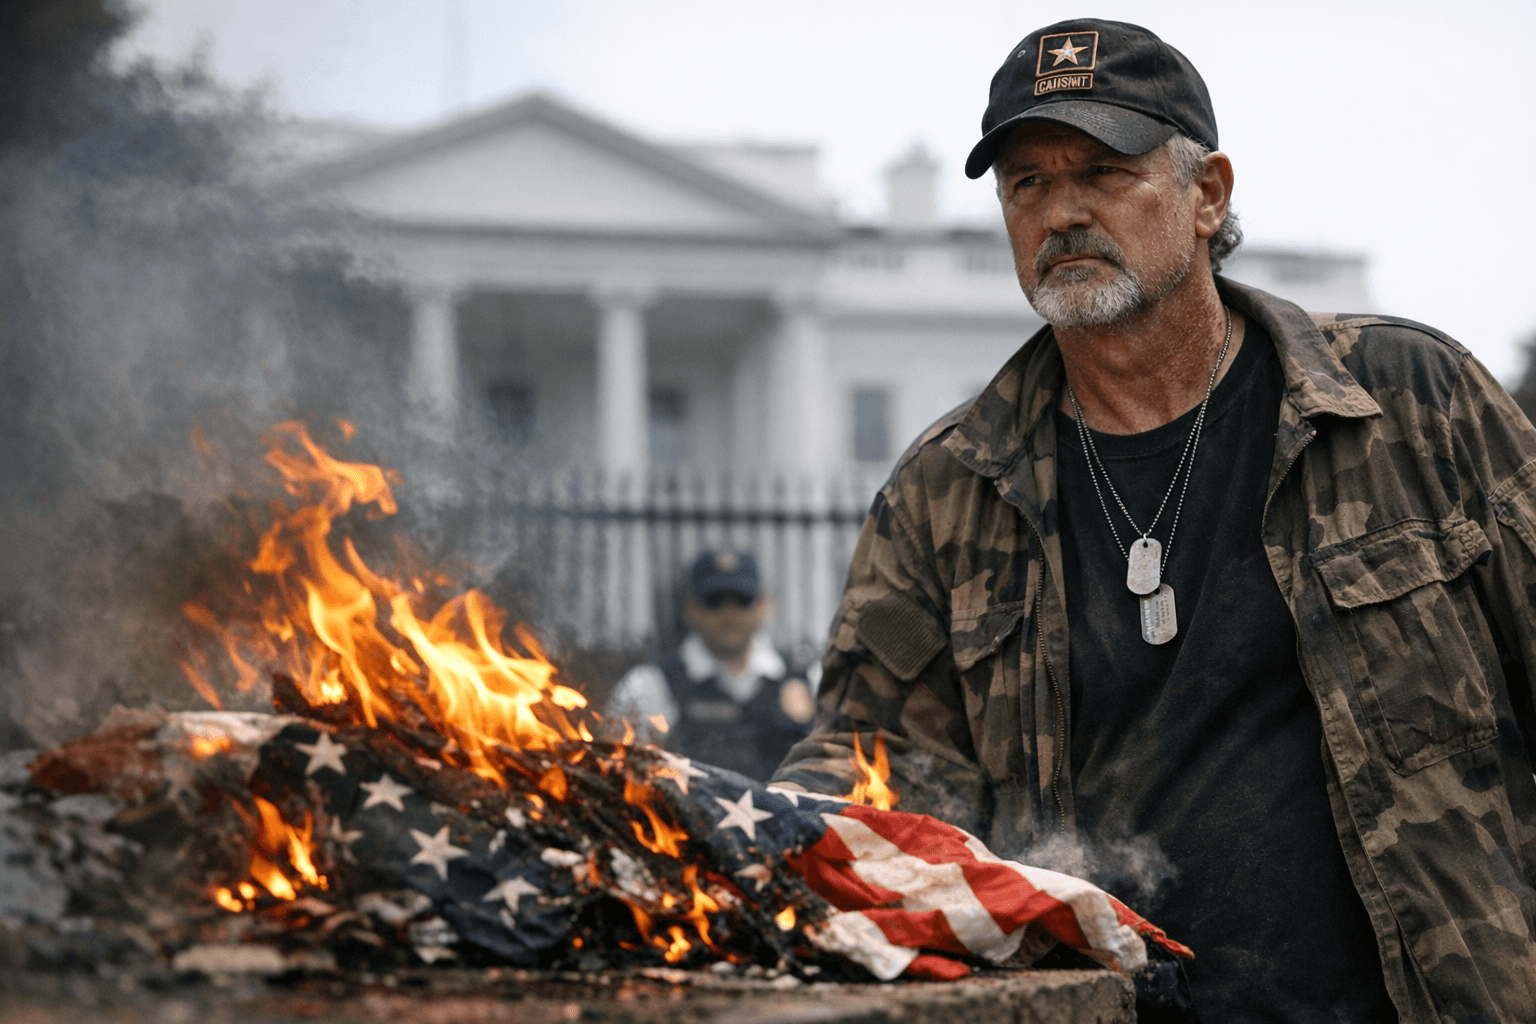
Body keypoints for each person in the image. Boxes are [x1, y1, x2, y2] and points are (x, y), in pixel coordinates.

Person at [771, 18, 1536, 1022]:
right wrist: (751, 833)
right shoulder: (945, 494)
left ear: (1207, 194)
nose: (1062, 211)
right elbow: (874, 777)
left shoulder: (1408, 404)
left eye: (1103, 169)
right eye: (1027, 185)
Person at [608, 549, 816, 781]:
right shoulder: (649, 685)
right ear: (690, 609)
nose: (729, 614)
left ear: (764, 605)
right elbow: (624, 774)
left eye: (742, 600)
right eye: (714, 601)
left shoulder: (810, 680)